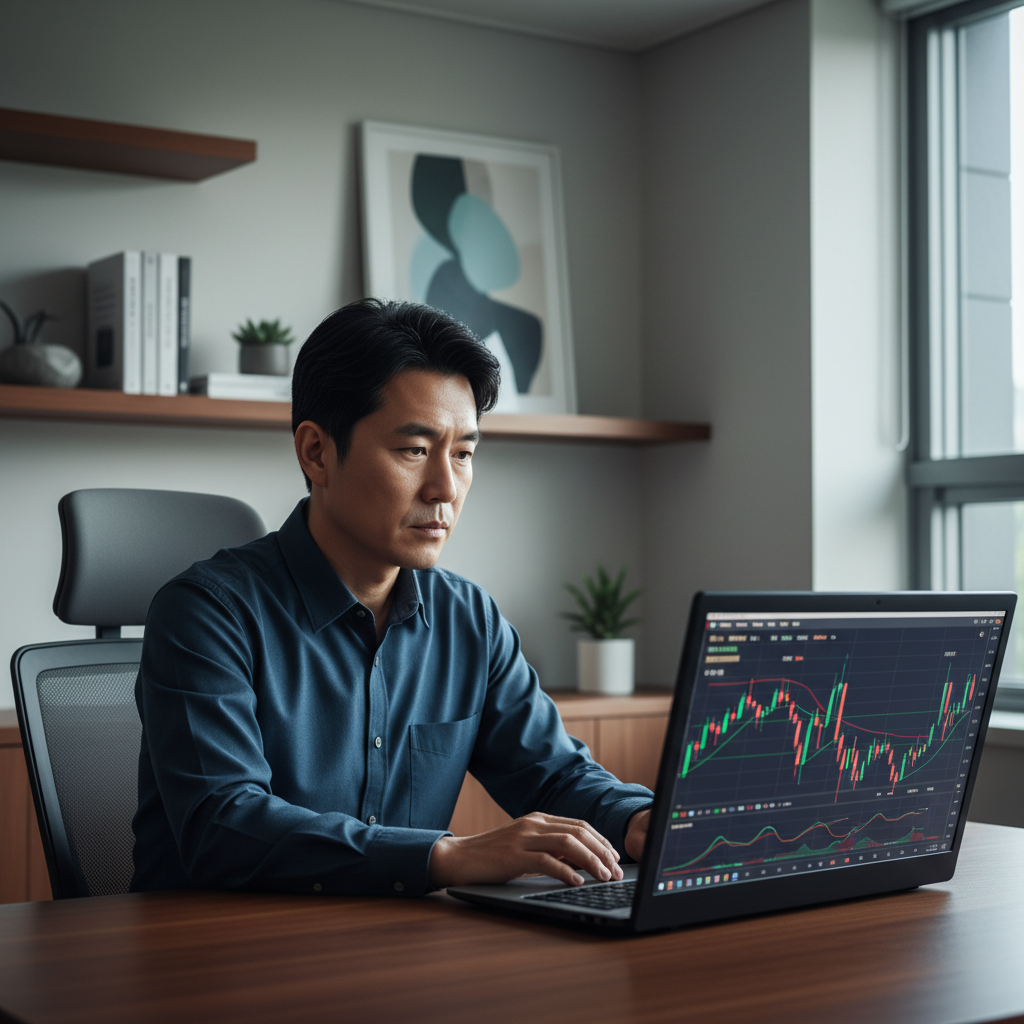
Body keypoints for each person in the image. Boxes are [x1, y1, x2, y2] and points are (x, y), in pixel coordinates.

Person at [131, 298, 653, 897]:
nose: (446, 487)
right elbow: (223, 824)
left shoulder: (469, 619)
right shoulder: (205, 613)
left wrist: (641, 821)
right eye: (415, 450)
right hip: (216, 959)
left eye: (463, 454)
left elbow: (555, 775)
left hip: (395, 952)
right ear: (316, 452)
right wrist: (443, 856)